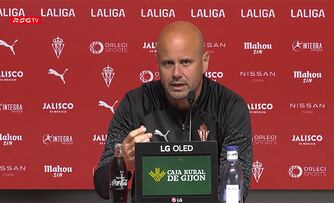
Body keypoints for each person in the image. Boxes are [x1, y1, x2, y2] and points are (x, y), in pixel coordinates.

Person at [93, 21, 253, 201]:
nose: (176, 73)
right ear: (157, 63)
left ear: (205, 62)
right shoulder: (135, 103)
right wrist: (122, 163)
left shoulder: (230, 106)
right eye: (168, 63)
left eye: (186, 62)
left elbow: (235, 190)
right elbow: (101, 186)